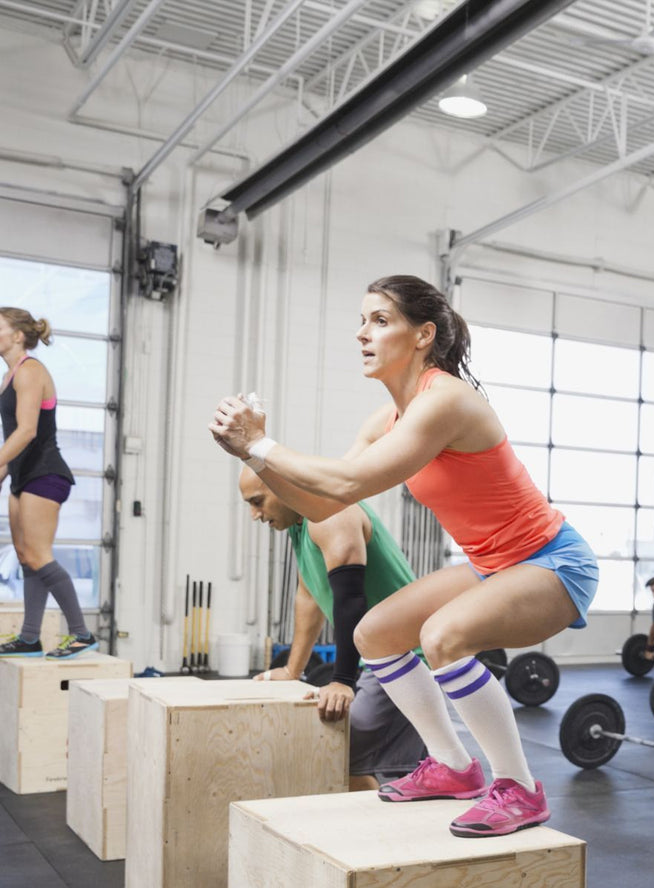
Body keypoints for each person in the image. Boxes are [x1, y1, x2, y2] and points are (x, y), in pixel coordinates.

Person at [211, 275, 598, 838]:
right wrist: (257, 459)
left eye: (380, 321)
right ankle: (453, 767)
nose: (362, 334)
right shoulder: (385, 420)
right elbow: (323, 503)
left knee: (443, 637)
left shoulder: (446, 402)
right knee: (376, 635)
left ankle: (518, 787)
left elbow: (346, 481)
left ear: (423, 335)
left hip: (554, 561)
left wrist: (262, 445)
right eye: (362, 321)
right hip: (492, 566)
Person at [238, 466, 426, 790]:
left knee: (327, 741)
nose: (255, 515)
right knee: (338, 751)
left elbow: (350, 598)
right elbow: (309, 596)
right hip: (378, 659)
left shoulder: (330, 514)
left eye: (258, 501)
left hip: (406, 658)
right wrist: (292, 669)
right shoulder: (301, 527)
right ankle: (372, 825)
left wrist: (342, 681)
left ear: (282, 485)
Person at [0, 307, 97, 660]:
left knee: (39, 555)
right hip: (22, 476)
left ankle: (81, 633)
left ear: (17, 335)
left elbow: (27, 431)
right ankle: (29, 637)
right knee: (26, 557)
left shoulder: (31, 371)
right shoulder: (9, 376)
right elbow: (12, 437)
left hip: (45, 473)